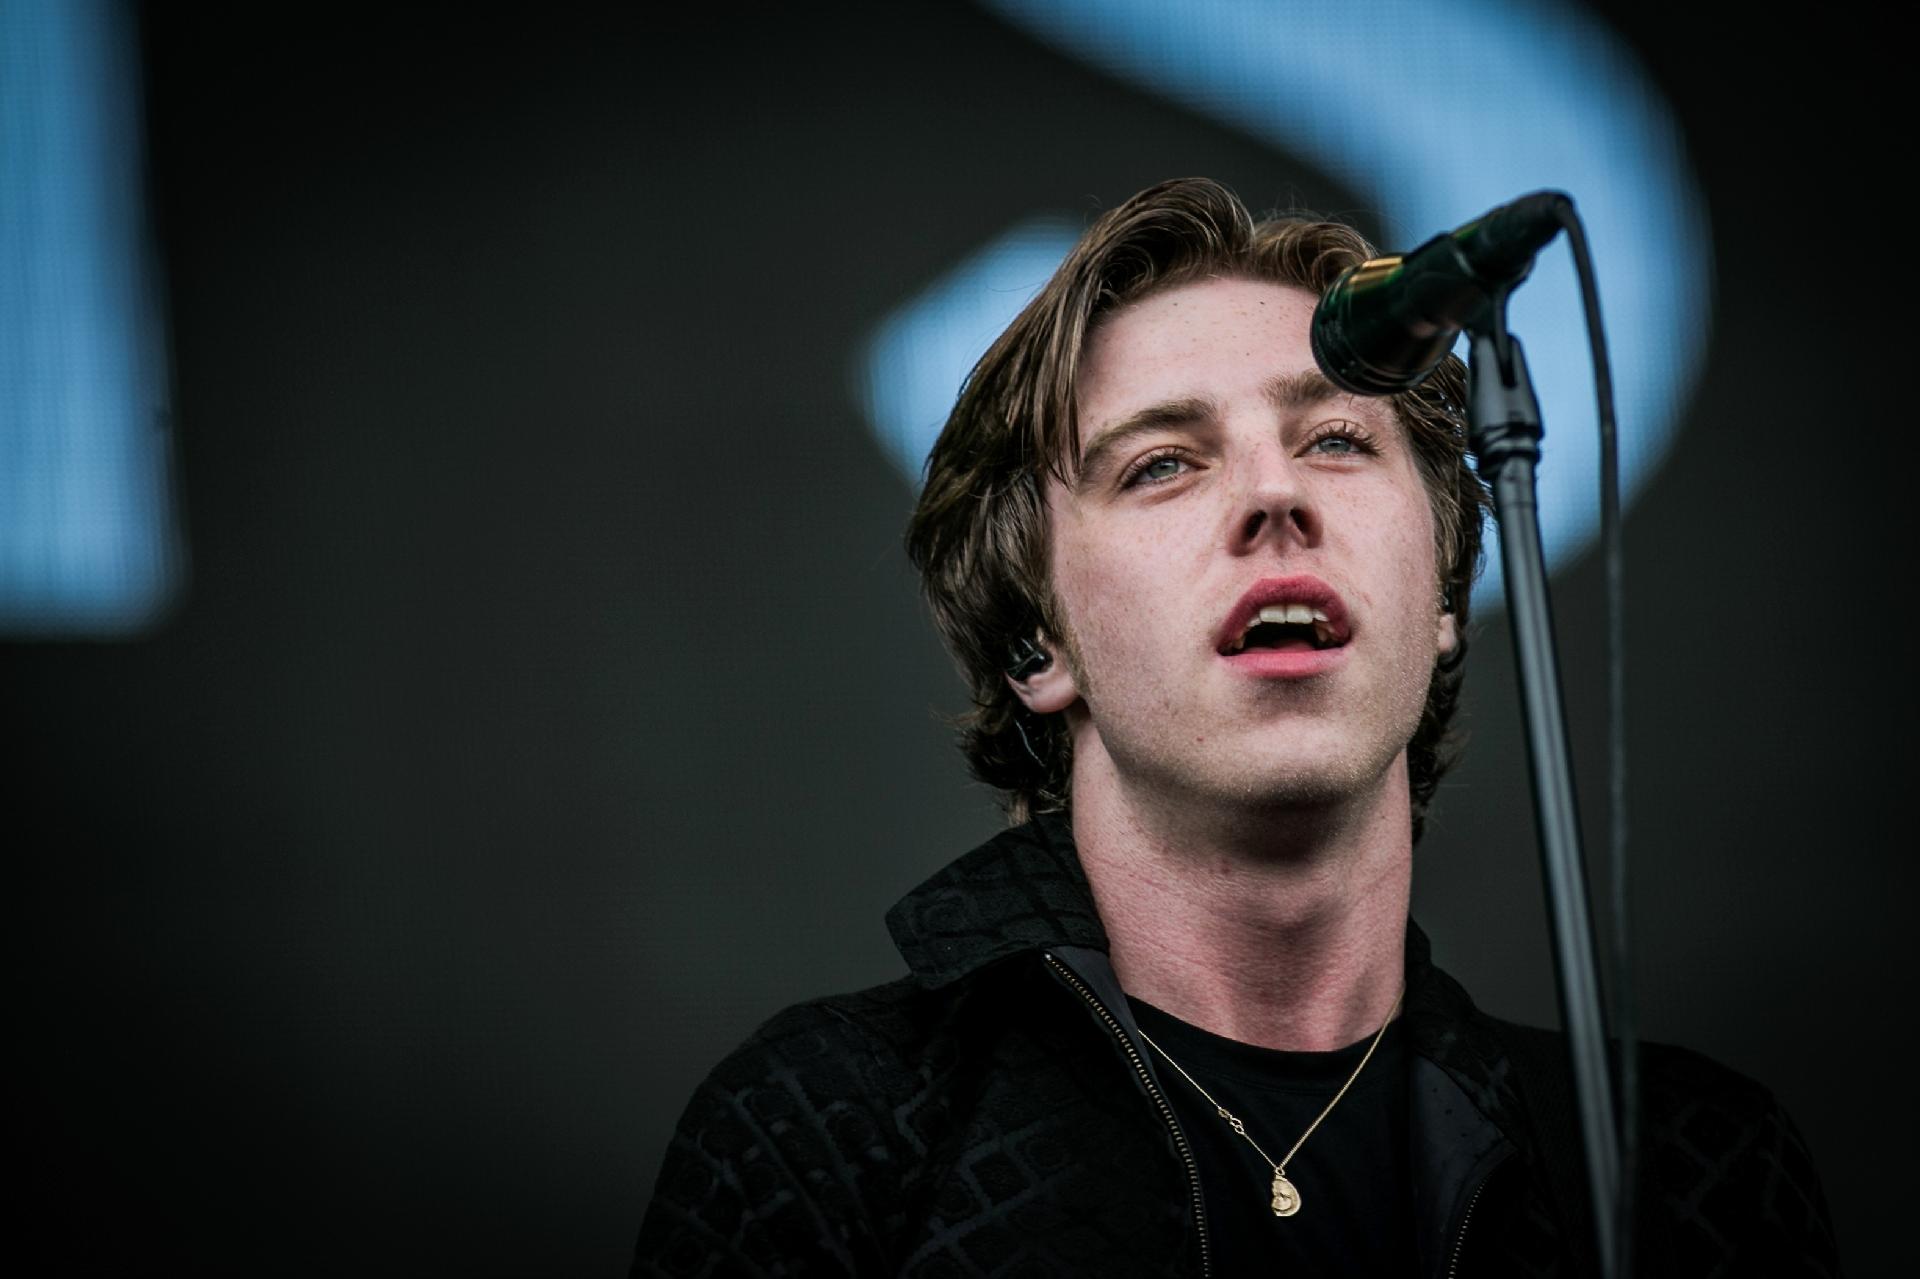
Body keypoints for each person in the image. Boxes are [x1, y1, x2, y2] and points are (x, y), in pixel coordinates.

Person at [633, 178, 1838, 1276]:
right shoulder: (825, 1132)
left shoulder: (1694, 1172)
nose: (1276, 494)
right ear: (1035, 645)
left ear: (1444, 602)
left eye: (1335, 439)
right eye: (1163, 462)